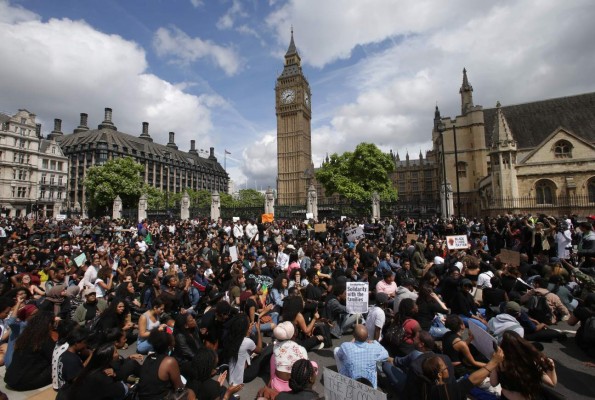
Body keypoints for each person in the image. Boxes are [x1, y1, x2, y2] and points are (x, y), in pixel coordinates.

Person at [490, 330, 558, 400]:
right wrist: (551, 366)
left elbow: (493, 383)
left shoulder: (500, 363)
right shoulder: (531, 363)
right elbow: (552, 383)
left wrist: (494, 362)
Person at [419, 346, 504, 400]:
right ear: (439, 375)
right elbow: (472, 380)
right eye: (445, 367)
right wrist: (493, 362)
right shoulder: (446, 392)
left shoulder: (425, 386)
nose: (447, 368)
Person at [4, 310, 55, 391]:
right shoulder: (43, 339)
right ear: (49, 324)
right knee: (57, 367)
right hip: (21, 383)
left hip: (9, 378)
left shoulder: (25, 335)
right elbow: (54, 358)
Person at [137, 329, 192, 399]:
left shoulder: (149, 358)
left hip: (142, 397)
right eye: (173, 345)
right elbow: (179, 388)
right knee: (190, 393)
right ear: (169, 347)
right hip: (159, 397)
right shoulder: (169, 361)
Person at [334, 324, 389, 389]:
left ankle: (342, 377)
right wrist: (375, 342)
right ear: (367, 336)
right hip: (370, 387)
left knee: (336, 350)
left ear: (353, 335)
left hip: (349, 384)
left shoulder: (345, 346)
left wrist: (350, 344)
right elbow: (386, 355)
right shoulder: (374, 347)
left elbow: (340, 356)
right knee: (375, 363)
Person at [224, 313, 273, 385]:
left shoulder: (230, 337)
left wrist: (247, 335)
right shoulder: (247, 342)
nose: (250, 324)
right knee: (269, 348)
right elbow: (260, 350)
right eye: (249, 323)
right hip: (245, 374)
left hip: (233, 373)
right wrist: (258, 331)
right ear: (245, 327)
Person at [270, 321, 310, 392]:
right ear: (294, 335)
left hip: (278, 386)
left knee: (273, 357)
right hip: (296, 386)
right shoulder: (302, 349)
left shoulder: (275, 347)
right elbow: (306, 367)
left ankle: (272, 380)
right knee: (313, 364)